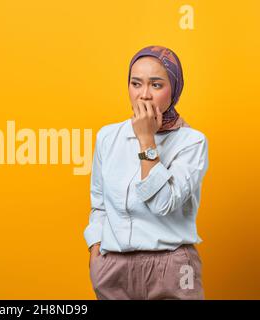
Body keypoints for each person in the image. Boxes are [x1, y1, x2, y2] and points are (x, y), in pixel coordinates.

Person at [84, 45, 209, 300]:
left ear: (174, 89)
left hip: (172, 269)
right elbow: (99, 203)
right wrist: (96, 250)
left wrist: (146, 140)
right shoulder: (108, 137)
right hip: (114, 269)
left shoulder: (192, 142)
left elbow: (163, 203)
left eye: (156, 85)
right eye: (136, 83)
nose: (144, 95)